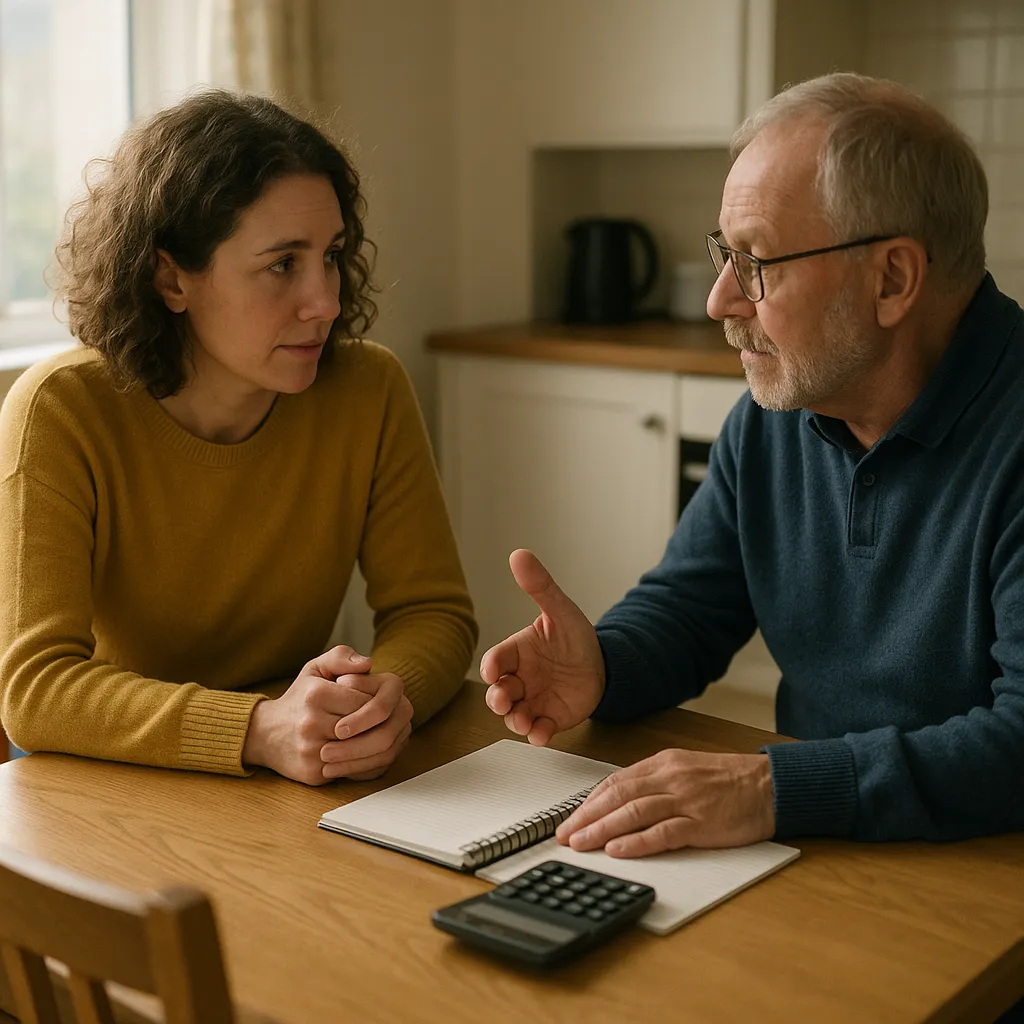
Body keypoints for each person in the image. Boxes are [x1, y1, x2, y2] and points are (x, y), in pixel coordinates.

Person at [481, 72, 1024, 855]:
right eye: (723, 255)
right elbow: (693, 608)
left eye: (757, 262)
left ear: (893, 278)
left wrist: (771, 786)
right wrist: (602, 665)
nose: (719, 301)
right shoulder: (781, 418)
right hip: (829, 841)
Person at [0, 91, 477, 786]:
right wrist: (257, 728)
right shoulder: (61, 409)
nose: (325, 300)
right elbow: (36, 690)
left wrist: (380, 702)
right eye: (283, 263)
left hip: (287, 779)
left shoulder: (369, 389)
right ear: (171, 278)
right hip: (101, 786)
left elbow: (431, 612)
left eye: (332, 255)